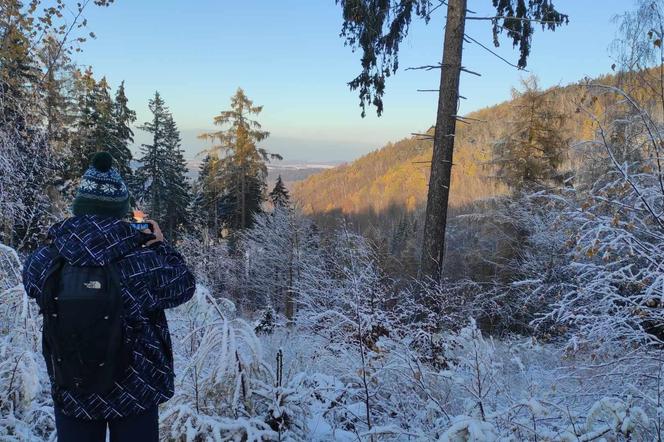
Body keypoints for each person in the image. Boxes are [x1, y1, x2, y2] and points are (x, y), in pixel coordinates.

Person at [22, 152, 195, 442]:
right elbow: (184, 285)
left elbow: (32, 285)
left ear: (79, 207)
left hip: (72, 385)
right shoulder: (142, 261)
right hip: (135, 390)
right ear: (120, 210)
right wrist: (161, 245)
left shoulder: (46, 260)